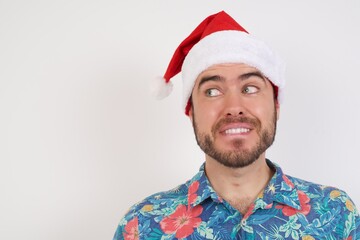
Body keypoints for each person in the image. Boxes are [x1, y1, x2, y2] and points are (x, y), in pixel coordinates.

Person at [113, 11, 359, 239]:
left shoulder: (336, 213)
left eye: (249, 88)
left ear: (276, 106)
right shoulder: (141, 225)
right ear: (191, 113)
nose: (234, 106)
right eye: (212, 91)